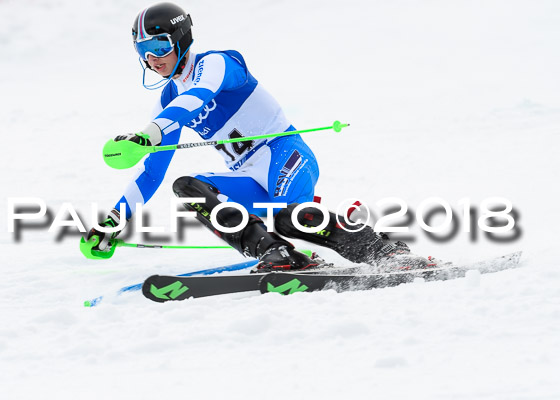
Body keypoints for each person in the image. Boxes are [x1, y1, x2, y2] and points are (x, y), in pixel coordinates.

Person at [83, 2, 425, 271]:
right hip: (246, 175)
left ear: (181, 38)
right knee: (186, 186)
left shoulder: (218, 63)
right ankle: (275, 252)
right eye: (142, 50)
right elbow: (152, 171)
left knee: (289, 218)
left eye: (158, 45)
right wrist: (113, 221)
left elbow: (199, 94)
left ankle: (383, 249)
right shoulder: (169, 100)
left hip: (284, 154)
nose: (151, 58)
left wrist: (148, 133)